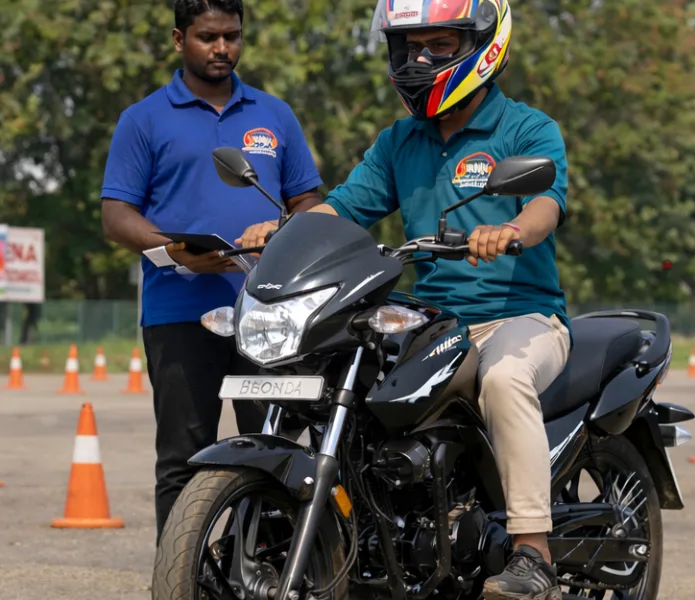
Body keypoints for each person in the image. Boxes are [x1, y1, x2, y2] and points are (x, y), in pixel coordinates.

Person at [236, 1, 570, 598]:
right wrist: (287, 230)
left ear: (482, 46)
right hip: (437, 321)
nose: (419, 60)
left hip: (522, 316)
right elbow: (342, 207)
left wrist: (512, 231)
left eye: (438, 46)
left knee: (504, 380)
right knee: (361, 382)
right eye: (409, 47)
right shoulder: (399, 141)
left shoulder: (525, 128)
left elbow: (546, 204)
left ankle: (532, 551)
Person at [99, 0, 324, 542]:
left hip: (269, 315)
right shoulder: (144, 119)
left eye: (232, 36)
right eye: (208, 37)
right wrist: (174, 250)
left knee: (276, 454)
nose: (222, 48)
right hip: (180, 312)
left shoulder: (274, 114)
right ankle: (179, 574)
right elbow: (116, 216)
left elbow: (309, 202)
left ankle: (271, 570)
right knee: (183, 457)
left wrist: (284, 230)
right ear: (180, 40)